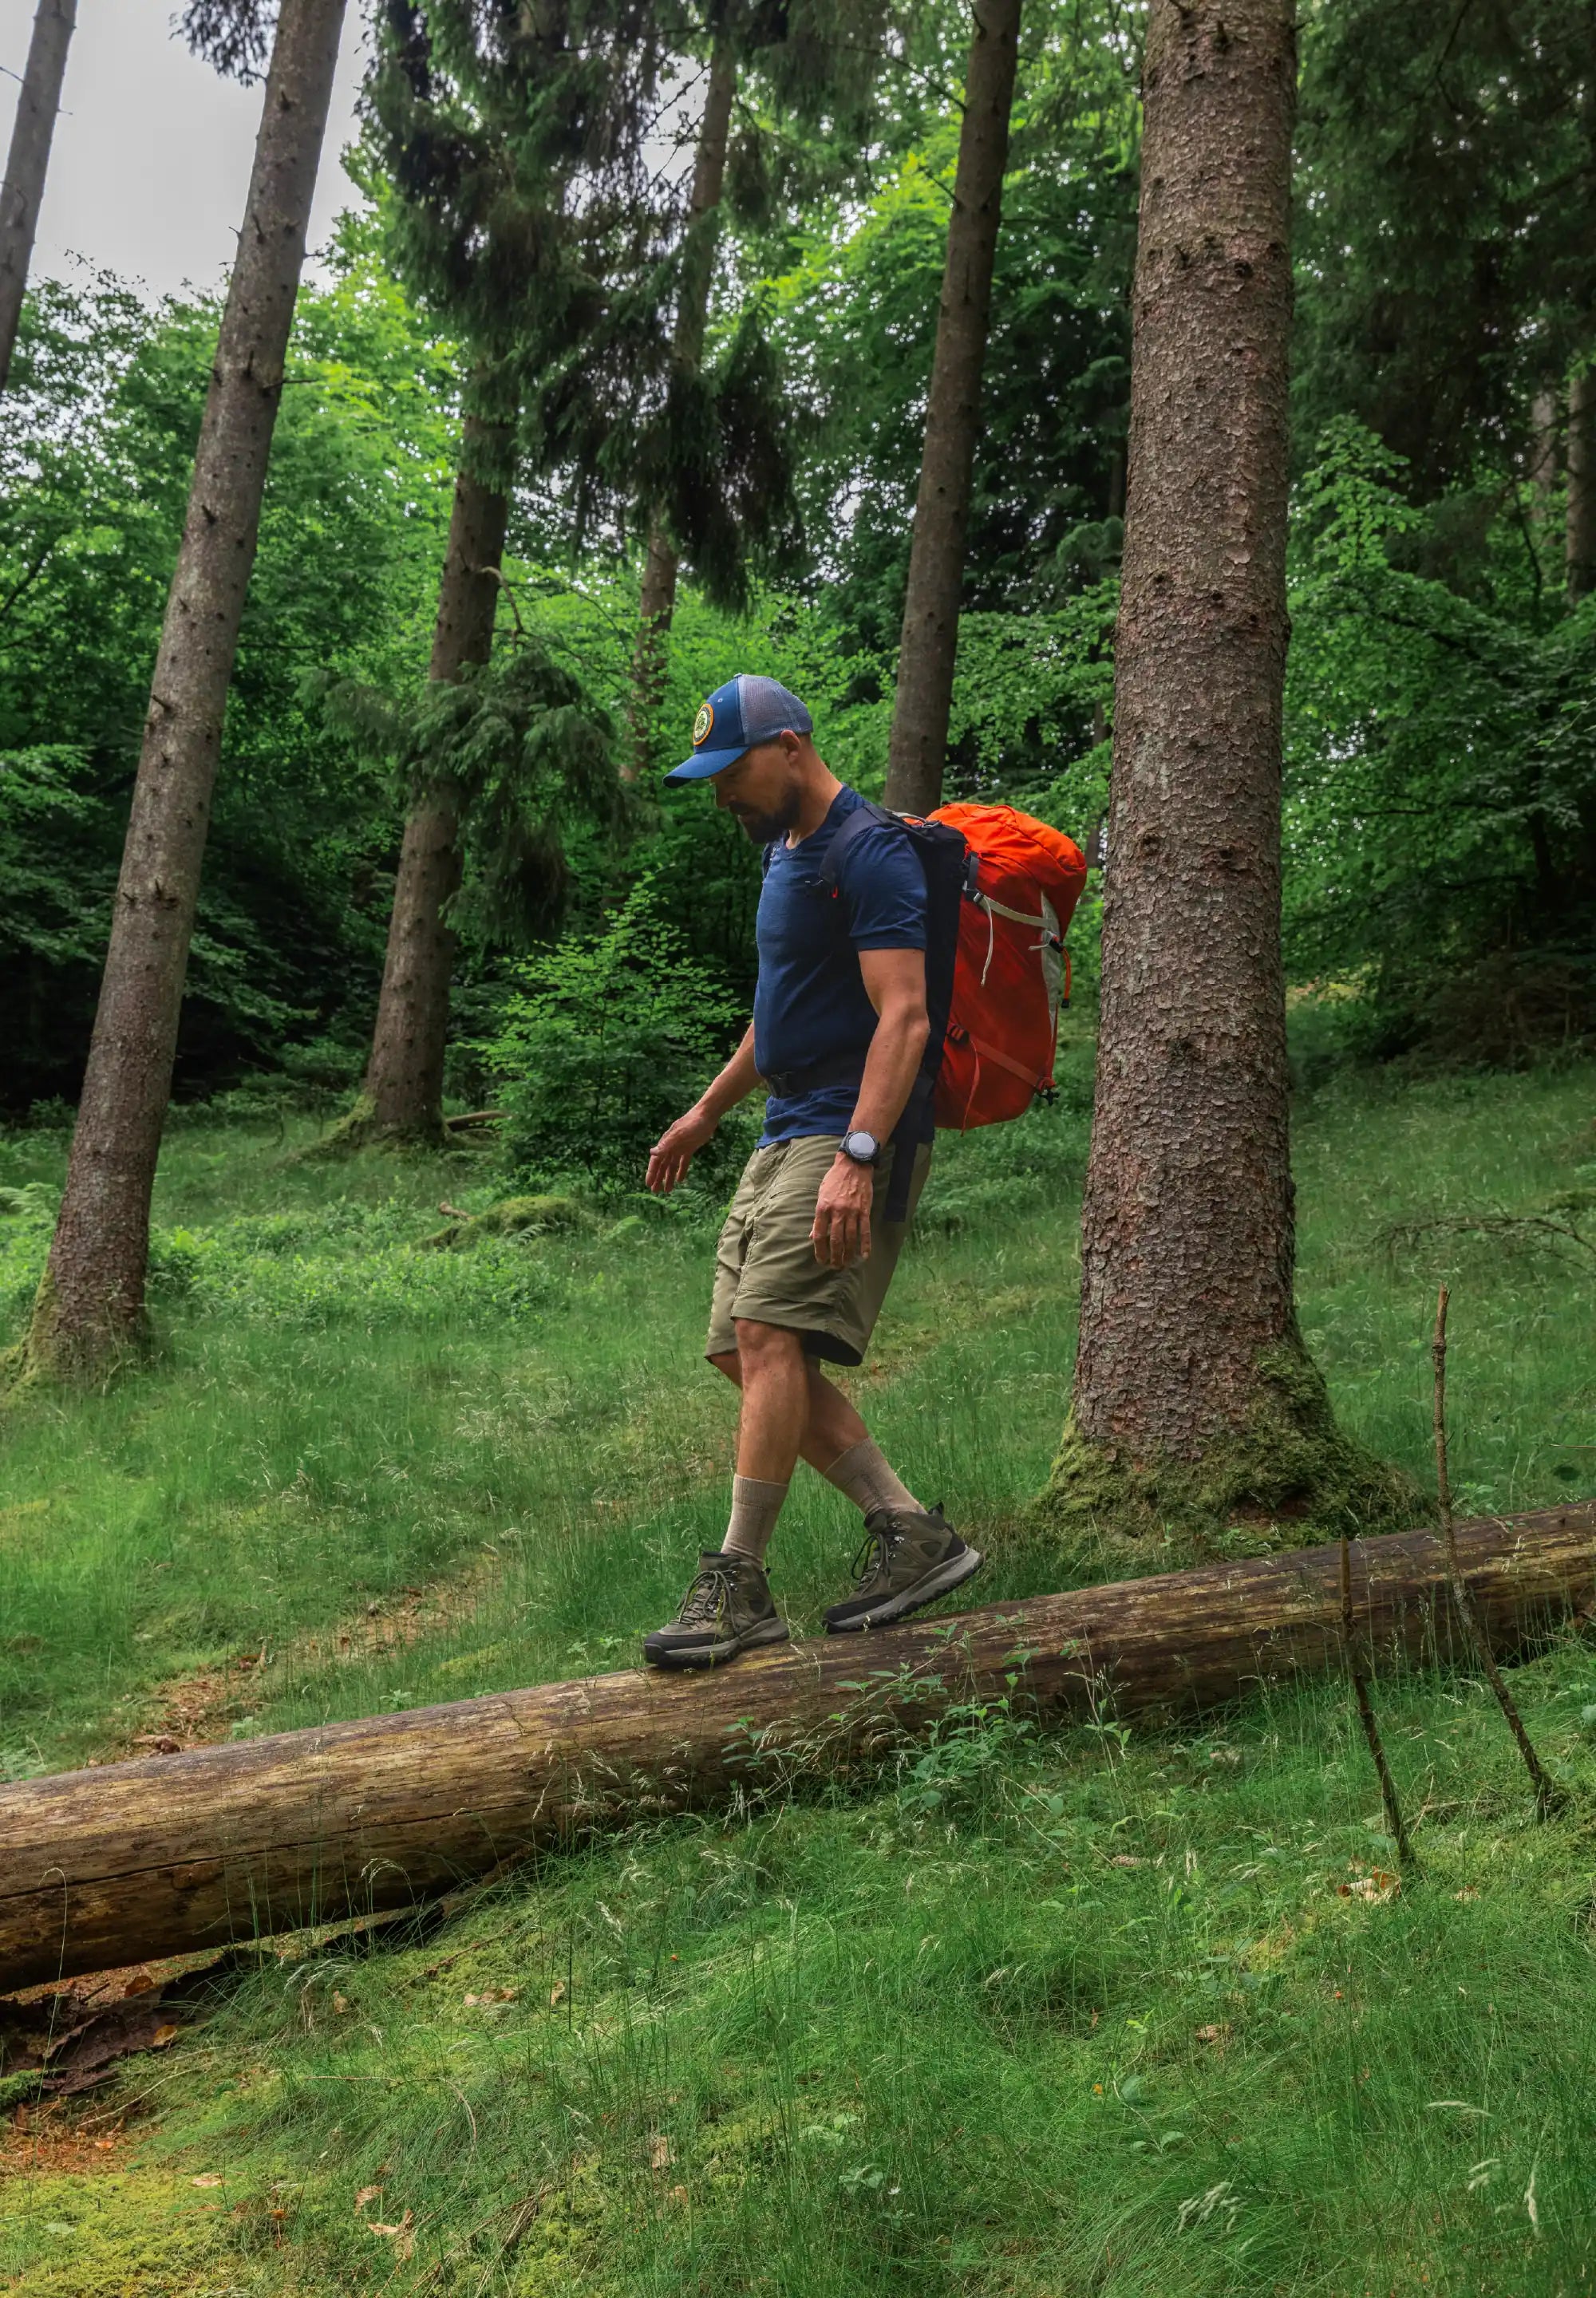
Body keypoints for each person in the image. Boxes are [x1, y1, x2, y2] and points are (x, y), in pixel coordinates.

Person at [641, 673, 982, 1669]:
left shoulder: (865, 850)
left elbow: (905, 1015)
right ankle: (912, 1533)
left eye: (731, 770)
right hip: (781, 1125)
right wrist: (706, 1112)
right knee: (735, 1352)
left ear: (790, 745)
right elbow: (777, 1014)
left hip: (844, 1128)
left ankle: (737, 1583)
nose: (720, 795)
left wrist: (857, 1159)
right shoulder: (784, 855)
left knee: (767, 1332)